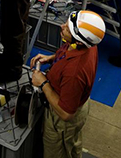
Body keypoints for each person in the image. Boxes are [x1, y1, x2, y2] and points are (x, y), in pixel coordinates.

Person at [31, 10, 105, 158]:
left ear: (78, 41)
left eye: (67, 28)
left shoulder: (74, 73)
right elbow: (67, 52)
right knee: (71, 145)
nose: (61, 26)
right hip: (76, 100)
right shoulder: (88, 44)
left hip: (62, 119)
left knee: (59, 151)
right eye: (66, 23)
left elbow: (66, 113)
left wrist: (43, 83)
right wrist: (52, 58)